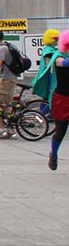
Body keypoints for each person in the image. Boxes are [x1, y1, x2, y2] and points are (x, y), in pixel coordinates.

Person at [48, 30, 69, 170]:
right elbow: (64, 63)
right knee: (61, 131)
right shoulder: (58, 57)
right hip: (61, 100)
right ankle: (53, 154)